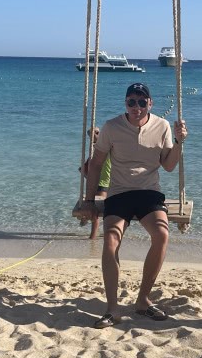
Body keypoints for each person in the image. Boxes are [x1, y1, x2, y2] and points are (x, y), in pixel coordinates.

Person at [77, 82, 187, 327]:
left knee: (162, 235)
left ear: (150, 103)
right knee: (111, 240)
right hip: (119, 193)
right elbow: (96, 164)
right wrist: (89, 200)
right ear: (125, 103)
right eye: (131, 102)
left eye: (142, 102)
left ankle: (143, 301)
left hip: (149, 193)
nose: (136, 107)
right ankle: (112, 308)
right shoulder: (112, 127)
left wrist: (179, 142)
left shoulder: (162, 126)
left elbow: (169, 166)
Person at [79, 127, 111, 240]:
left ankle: (93, 235)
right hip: (99, 183)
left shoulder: (106, 148)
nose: (96, 135)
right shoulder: (95, 151)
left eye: (98, 133)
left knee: (98, 210)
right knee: (95, 210)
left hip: (106, 183)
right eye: (95, 133)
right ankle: (93, 236)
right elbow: (82, 169)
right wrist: (89, 178)